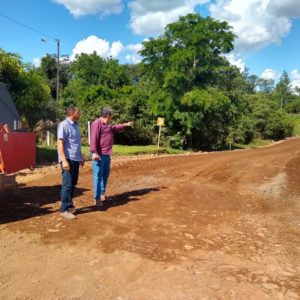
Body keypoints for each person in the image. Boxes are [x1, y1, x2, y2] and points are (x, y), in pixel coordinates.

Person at [90, 107, 133, 206]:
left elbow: (115, 128)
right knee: (98, 176)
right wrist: (94, 152)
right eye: (111, 116)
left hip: (107, 154)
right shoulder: (97, 124)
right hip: (99, 155)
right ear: (108, 115)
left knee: (105, 175)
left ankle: (102, 194)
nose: (112, 117)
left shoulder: (108, 125)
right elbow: (93, 139)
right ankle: (97, 199)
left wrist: (125, 125)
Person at [57, 105, 84, 220]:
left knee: (73, 184)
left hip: (76, 159)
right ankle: (64, 210)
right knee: (67, 185)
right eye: (78, 111)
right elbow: (60, 143)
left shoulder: (76, 126)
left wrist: (80, 157)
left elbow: (76, 144)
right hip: (67, 159)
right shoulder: (64, 125)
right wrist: (63, 160)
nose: (80, 113)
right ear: (72, 113)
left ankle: (69, 205)